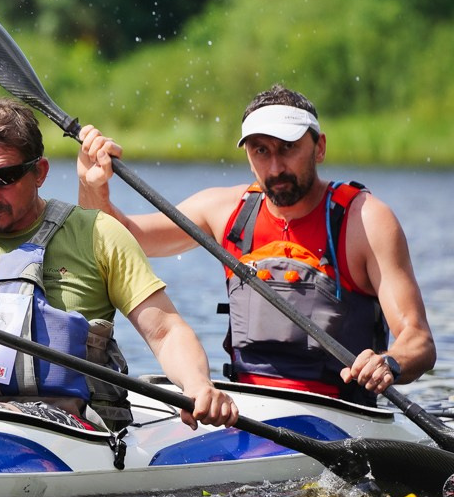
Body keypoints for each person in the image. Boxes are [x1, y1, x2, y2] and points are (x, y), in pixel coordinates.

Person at [0, 94, 239, 432]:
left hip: (76, 427)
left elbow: (166, 332)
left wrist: (197, 385)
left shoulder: (97, 234)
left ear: (40, 172)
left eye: (4, 177)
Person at [77, 84, 436, 405]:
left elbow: (418, 340)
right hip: (246, 406)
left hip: (341, 412)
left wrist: (389, 362)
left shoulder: (366, 220)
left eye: (289, 148)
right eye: (261, 151)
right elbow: (116, 237)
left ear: (320, 147)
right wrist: (93, 186)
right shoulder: (224, 210)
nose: (276, 166)